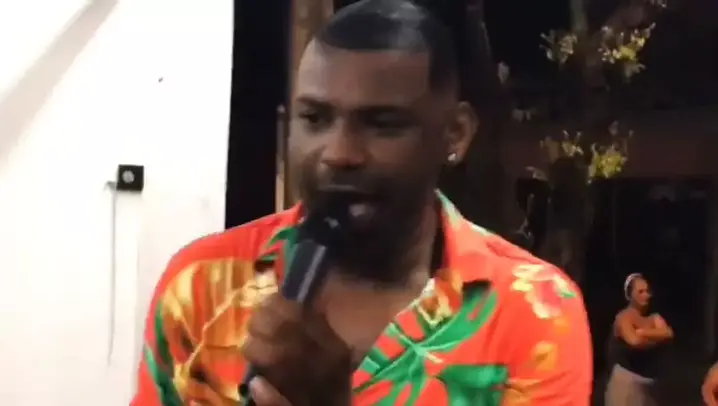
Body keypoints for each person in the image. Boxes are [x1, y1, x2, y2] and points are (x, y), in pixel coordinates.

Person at [131, 0, 592, 404]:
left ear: (455, 134)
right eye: (315, 118)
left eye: (382, 124)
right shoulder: (201, 284)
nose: (339, 153)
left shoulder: (534, 309)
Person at [605, 273, 674, 406]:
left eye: (647, 291)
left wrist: (643, 332)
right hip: (626, 382)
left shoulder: (654, 317)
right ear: (630, 295)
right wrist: (657, 338)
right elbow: (634, 341)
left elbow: (668, 333)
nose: (646, 295)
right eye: (641, 292)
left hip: (650, 383)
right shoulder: (624, 317)